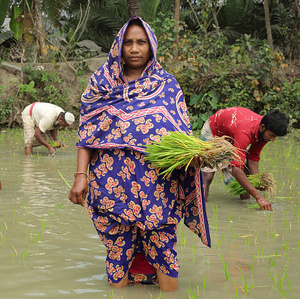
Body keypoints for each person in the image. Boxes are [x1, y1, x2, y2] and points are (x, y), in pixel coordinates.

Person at [68, 16, 210, 291]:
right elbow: (87, 133)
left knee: (164, 250)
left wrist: (196, 155)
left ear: (151, 46)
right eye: (128, 42)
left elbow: (181, 135)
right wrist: (80, 176)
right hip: (112, 184)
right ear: (118, 47)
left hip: (157, 184)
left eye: (141, 42)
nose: (134, 48)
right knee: (118, 251)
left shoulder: (166, 84)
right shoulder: (102, 83)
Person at [201, 107, 289, 211]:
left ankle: (243, 207)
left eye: (275, 137)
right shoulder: (245, 132)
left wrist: (256, 180)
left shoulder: (264, 132)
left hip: (232, 135)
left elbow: (253, 157)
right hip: (214, 131)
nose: (272, 139)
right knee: (208, 174)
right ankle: (201, 209)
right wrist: (259, 197)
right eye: (272, 135)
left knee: (246, 172)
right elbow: (236, 170)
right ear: (262, 127)